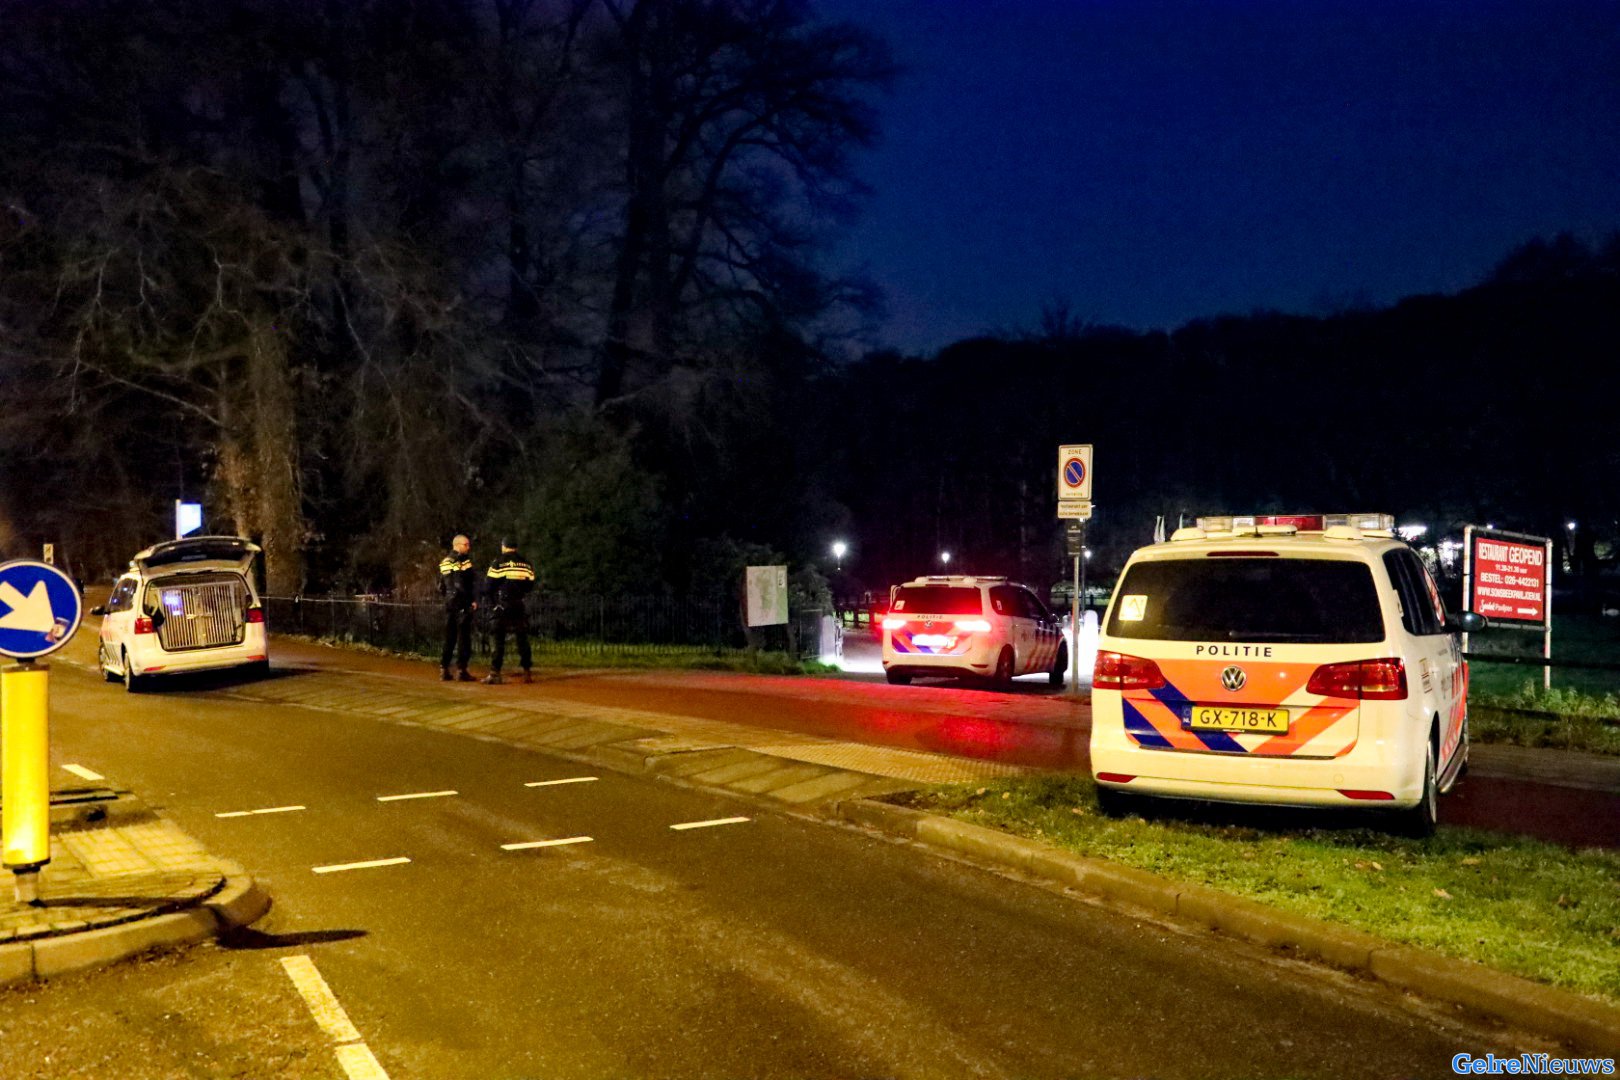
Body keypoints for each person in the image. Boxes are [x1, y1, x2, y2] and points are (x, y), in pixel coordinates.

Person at [482, 538, 535, 684]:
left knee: (498, 638)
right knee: (522, 639)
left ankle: (495, 673)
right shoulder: (526, 563)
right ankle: (527, 672)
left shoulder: (498, 562)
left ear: (503, 547)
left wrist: (493, 604)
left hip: (502, 605)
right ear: (516, 548)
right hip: (519, 604)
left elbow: (488, 587)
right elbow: (530, 586)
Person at [438, 534, 478, 681]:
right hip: (461, 603)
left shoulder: (445, 562)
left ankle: (444, 668)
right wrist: (471, 600)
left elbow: (441, 586)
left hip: (449, 603)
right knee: (463, 638)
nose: (468, 547)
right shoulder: (463, 561)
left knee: (449, 637)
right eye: (466, 544)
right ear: (457, 545)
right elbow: (465, 583)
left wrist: (448, 598)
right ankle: (462, 670)